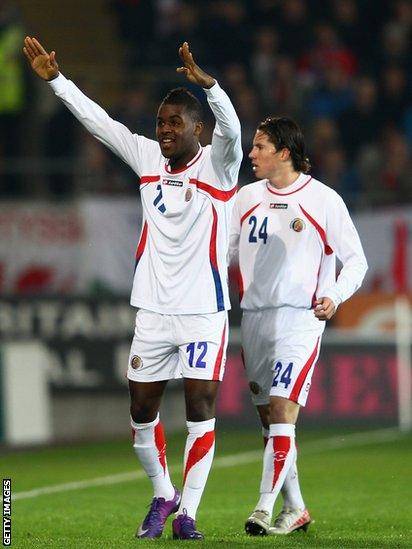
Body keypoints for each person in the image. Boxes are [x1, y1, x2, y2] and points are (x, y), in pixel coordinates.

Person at [23, 36, 242, 540]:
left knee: (199, 409)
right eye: (160, 123)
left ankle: (188, 512)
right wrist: (57, 81)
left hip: (204, 312)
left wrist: (209, 86)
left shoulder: (219, 165)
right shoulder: (147, 158)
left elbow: (231, 127)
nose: (163, 131)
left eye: (174, 123)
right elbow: (99, 123)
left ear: (197, 130)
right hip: (153, 311)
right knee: (141, 412)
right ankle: (163, 493)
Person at [229, 116, 367, 536]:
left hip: (300, 319)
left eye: (259, 147)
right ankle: (297, 507)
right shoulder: (245, 198)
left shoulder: (324, 200)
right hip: (253, 318)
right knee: (269, 423)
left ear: (284, 152)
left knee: (282, 411)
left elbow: (357, 261)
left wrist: (335, 296)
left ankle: (263, 509)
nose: (251, 154)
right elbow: (224, 254)